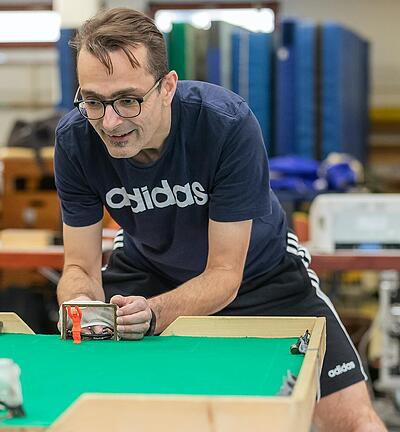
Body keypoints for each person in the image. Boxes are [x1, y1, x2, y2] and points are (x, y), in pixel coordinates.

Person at [54, 8, 385, 431]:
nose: (110, 121)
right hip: (148, 276)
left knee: (355, 421)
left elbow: (225, 275)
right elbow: (79, 267)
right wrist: (82, 303)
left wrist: (154, 314)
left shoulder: (224, 123)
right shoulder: (76, 140)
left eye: (128, 100)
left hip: (261, 276)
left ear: (167, 87)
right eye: (94, 102)